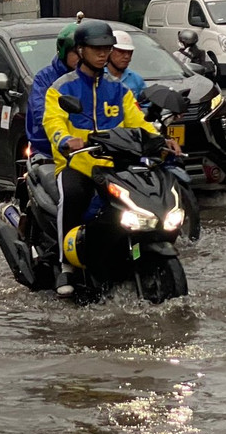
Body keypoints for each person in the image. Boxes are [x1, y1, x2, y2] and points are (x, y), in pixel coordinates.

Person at [43, 20, 180, 297]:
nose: (103, 54)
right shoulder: (62, 88)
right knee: (71, 196)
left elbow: (137, 122)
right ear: (80, 50)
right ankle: (64, 265)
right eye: (97, 49)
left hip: (115, 167)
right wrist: (66, 141)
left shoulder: (118, 89)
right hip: (77, 164)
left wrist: (160, 140)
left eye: (107, 48)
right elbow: (53, 122)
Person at [25, 23, 79, 160]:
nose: (80, 57)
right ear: (63, 52)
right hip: (49, 151)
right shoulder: (44, 79)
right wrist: (66, 137)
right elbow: (42, 114)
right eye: (75, 52)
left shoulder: (99, 78)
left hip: (89, 150)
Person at [106, 30, 146, 98]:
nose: (127, 56)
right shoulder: (97, 76)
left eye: (130, 52)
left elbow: (144, 105)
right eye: (121, 51)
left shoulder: (136, 80)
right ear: (110, 51)